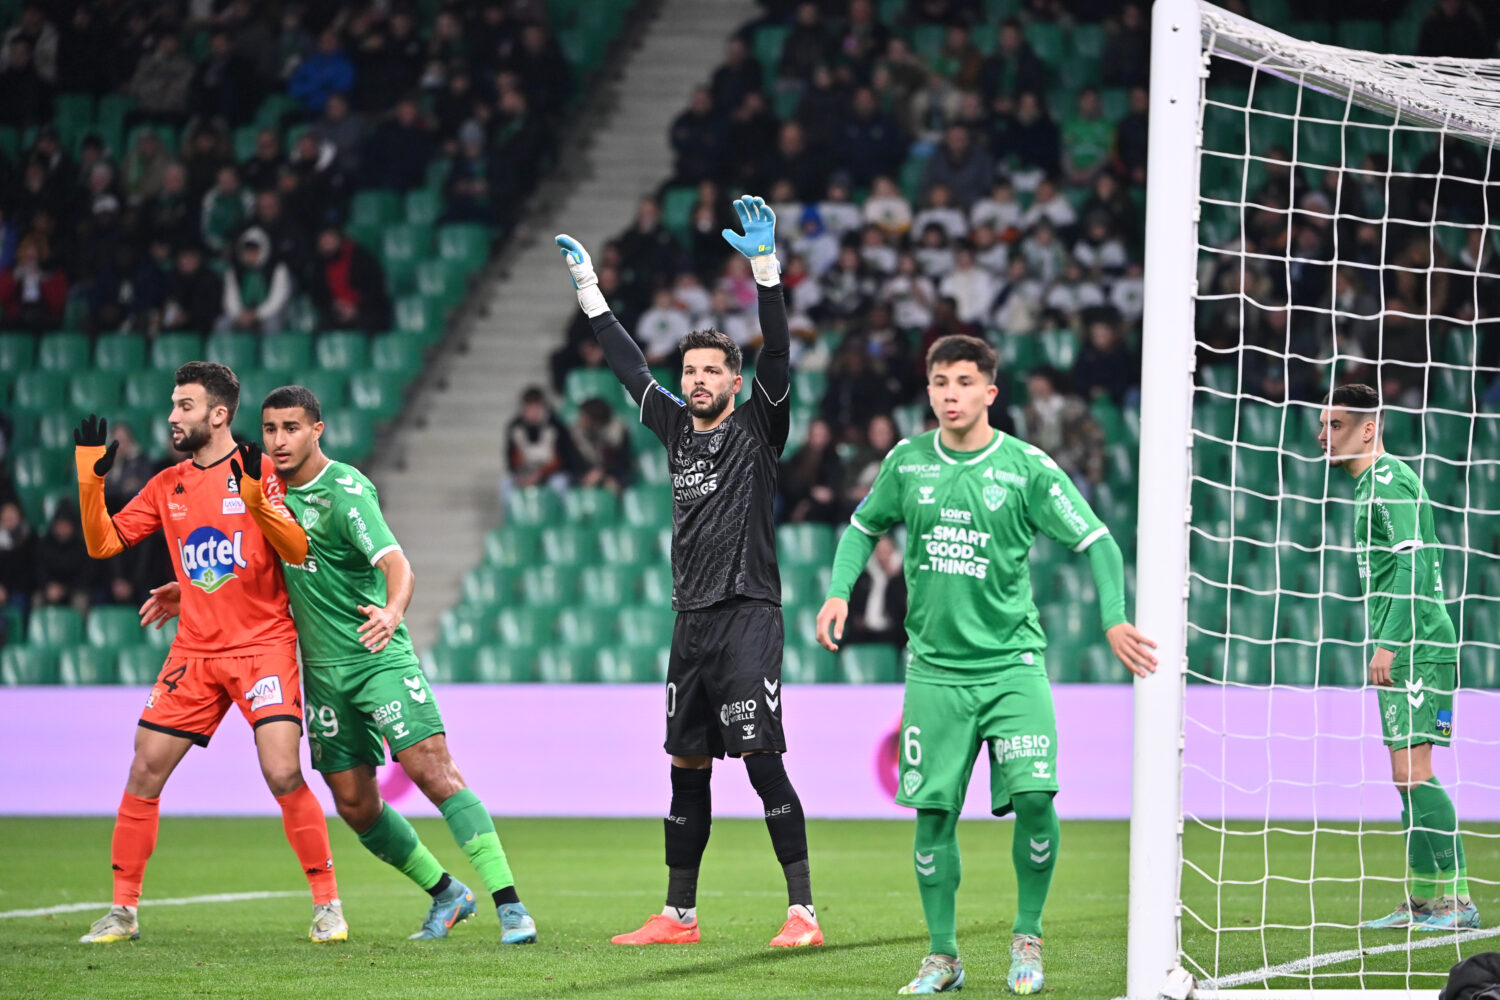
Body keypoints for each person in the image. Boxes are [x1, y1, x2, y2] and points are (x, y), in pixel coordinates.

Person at [814, 334, 1157, 995]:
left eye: (965, 382)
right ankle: (943, 957)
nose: (951, 395)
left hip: (1011, 667)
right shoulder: (907, 462)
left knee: (1035, 798)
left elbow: (1099, 541)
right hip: (934, 673)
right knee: (933, 816)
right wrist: (838, 591)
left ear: (990, 392)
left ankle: (1027, 937)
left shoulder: (1027, 468)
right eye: (940, 382)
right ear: (929, 390)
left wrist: (1113, 616)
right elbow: (861, 528)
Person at [146, 386, 539, 943]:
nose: (279, 440)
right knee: (354, 804)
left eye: (292, 428)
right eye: (271, 429)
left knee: (432, 769)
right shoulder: (264, 492)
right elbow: (247, 565)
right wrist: (187, 591)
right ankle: (447, 893)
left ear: (317, 431)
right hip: (322, 673)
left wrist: (392, 612)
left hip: (376, 656)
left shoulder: (345, 490)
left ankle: (511, 906)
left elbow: (397, 563)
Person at [553, 195, 821, 949]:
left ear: (735, 381)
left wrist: (765, 271)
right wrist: (590, 293)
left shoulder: (760, 426)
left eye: (712, 371)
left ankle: (803, 913)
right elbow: (628, 366)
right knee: (686, 764)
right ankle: (679, 915)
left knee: (762, 761)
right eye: (691, 370)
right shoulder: (674, 426)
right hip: (691, 622)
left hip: (748, 613)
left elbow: (777, 351)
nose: (698, 380)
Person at [70, 363, 344, 944]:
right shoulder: (166, 485)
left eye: (185, 406)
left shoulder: (261, 470)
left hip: (263, 647)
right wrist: (90, 482)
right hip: (194, 652)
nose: (173, 416)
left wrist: (257, 501)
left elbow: (298, 550)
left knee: (282, 771)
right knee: (144, 768)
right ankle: (122, 911)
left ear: (219, 415)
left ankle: (328, 905)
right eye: (174, 405)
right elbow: (102, 543)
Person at [1318, 384, 1477, 932]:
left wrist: (1388, 642)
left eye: (1335, 425)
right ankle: (1425, 898)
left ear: (1368, 429)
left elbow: (1413, 566)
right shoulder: (1367, 487)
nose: (1322, 435)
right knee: (1403, 776)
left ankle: (1459, 900)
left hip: (1418, 642)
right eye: (1322, 425)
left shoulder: (1389, 481)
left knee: (1415, 771)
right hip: (1407, 641)